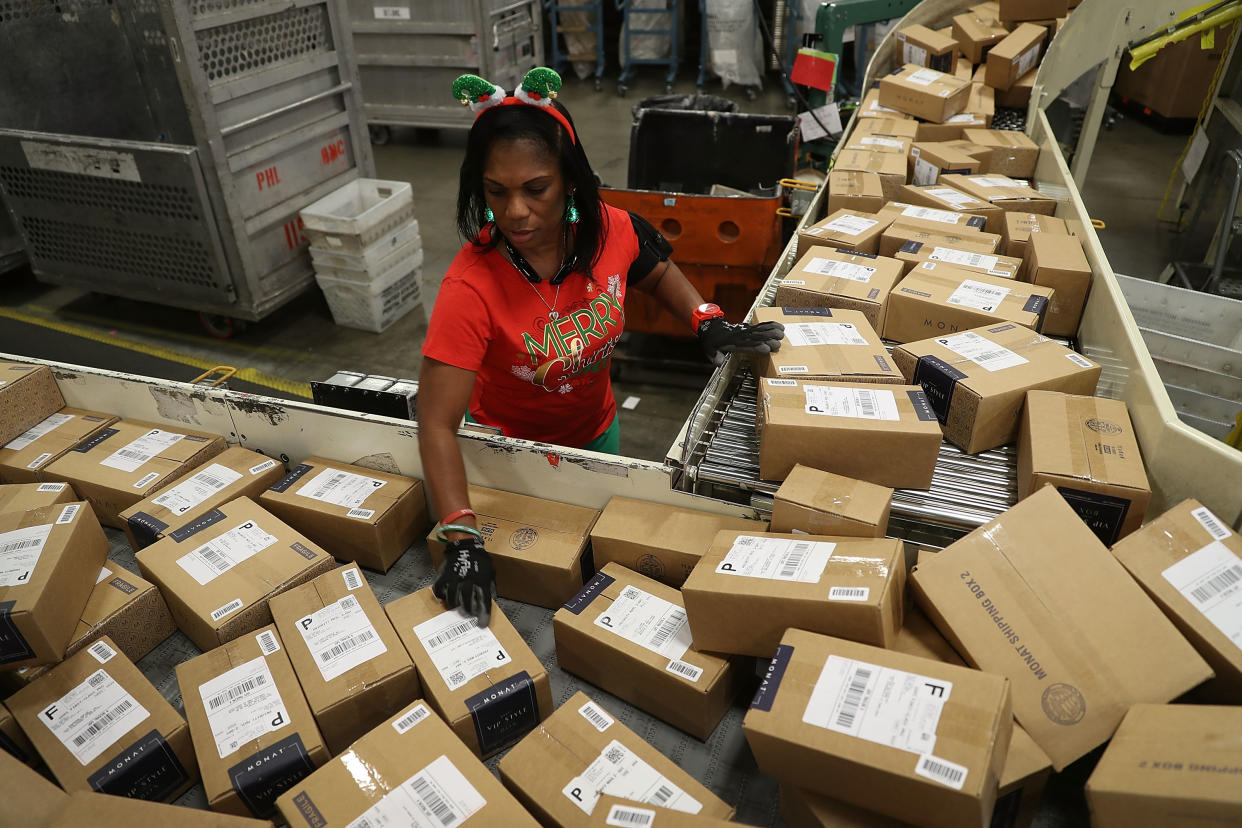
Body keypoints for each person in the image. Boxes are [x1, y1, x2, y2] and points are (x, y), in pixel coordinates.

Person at [418, 67, 784, 624]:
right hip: (513, 459)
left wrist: (706, 320)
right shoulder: (469, 288)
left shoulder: (610, 229)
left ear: (567, 179)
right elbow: (437, 423)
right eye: (497, 192)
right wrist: (461, 535)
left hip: (598, 435)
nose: (515, 211)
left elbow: (657, 274)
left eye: (535, 189)